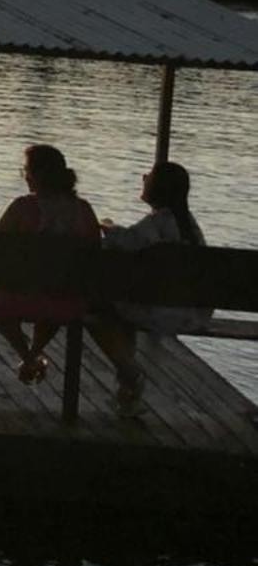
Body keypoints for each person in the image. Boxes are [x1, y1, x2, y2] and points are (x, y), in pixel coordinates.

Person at [92, 160, 212, 413]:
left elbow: (126, 241)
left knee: (98, 310)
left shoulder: (156, 223)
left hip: (163, 313)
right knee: (125, 307)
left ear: (159, 188)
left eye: (149, 176)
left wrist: (106, 225)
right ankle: (127, 388)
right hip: (194, 314)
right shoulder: (189, 225)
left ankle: (129, 374)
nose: (143, 177)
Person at [0, 143, 100, 383]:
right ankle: (33, 354)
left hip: (16, 300)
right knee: (57, 295)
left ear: (36, 175)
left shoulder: (22, 207)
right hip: (66, 303)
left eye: (25, 170)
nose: (24, 176)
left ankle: (27, 356)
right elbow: (95, 255)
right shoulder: (83, 210)